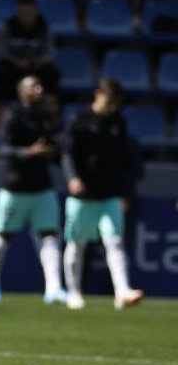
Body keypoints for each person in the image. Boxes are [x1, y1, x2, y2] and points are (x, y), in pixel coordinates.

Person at [60, 79, 143, 310]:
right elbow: (67, 152)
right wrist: (72, 178)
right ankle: (74, 292)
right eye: (110, 100)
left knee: (114, 242)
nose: (113, 106)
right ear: (98, 95)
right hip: (82, 197)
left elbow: (123, 160)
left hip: (110, 196)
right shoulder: (79, 120)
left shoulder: (118, 123)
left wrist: (125, 192)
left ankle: (122, 291)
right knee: (77, 244)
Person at [0, 74, 66, 305]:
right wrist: (27, 152)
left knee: (50, 235)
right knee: (2, 234)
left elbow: (55, 147)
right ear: (21, 92)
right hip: (15, 188)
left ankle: (54, 287)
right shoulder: (13, 116)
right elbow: (2, 148)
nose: (38, 90)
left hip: (42, 188)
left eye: (40, 85)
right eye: (33, 86)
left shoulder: (46, 117)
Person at [0, 0, 59, 99]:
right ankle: (4, 105)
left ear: (36, 12)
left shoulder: (44, 27)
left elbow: (50, 53)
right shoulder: (8, 26)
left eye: (29, 14)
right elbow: (1, 52)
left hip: (37, 66)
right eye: (24, 14)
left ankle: (48, 104)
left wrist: (40, 61)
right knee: (2, 71)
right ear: (18, 12)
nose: (27, 17)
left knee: (52, 73)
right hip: (14, 66)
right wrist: (17, 62)